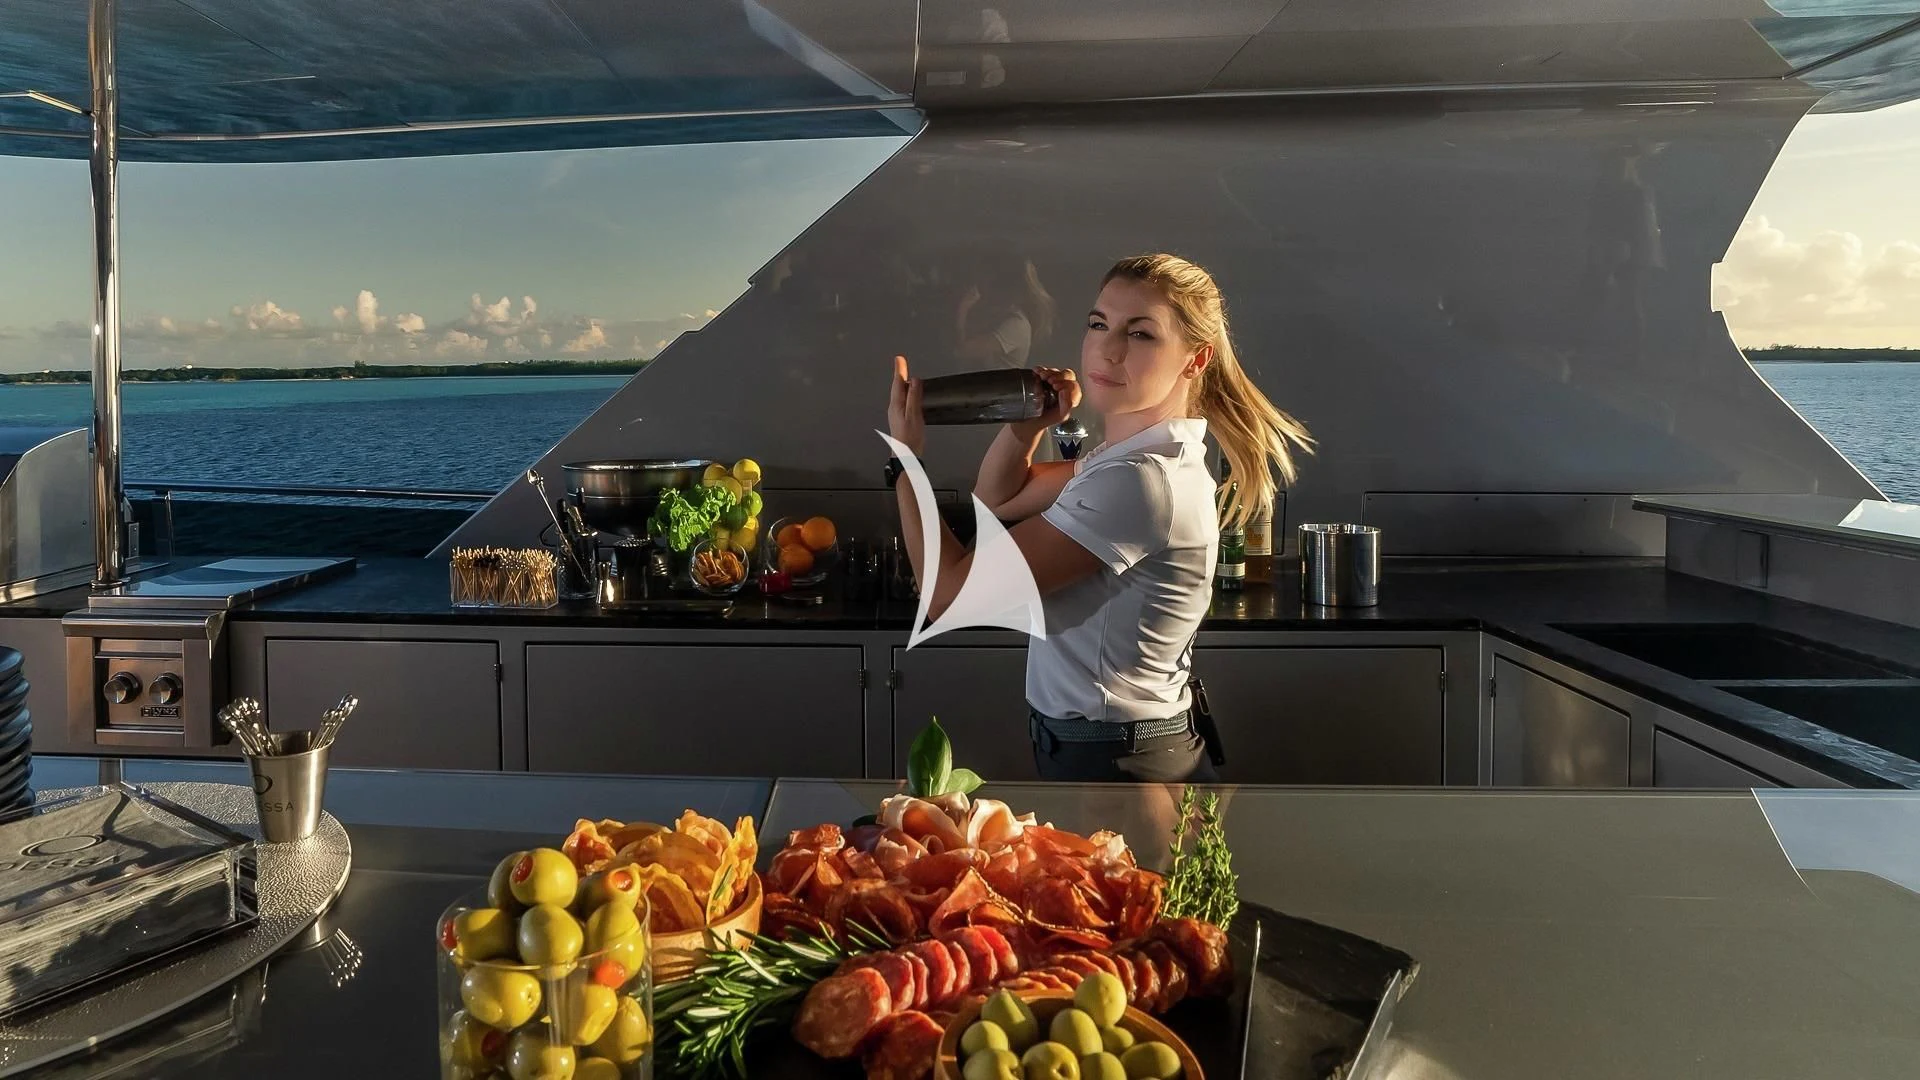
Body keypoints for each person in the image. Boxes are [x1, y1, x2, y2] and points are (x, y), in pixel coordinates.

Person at [885, 253, 1313, 782]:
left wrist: (905, 462)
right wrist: (1028, 426)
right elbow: (1000, 497)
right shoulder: (1129, 461)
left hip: (1117, 760)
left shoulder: (1139, 482)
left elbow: (949, 593)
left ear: (1194, 361)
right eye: (1098, 324)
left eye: (1141, 335)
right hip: (1114, 747)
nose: (1108, 350)